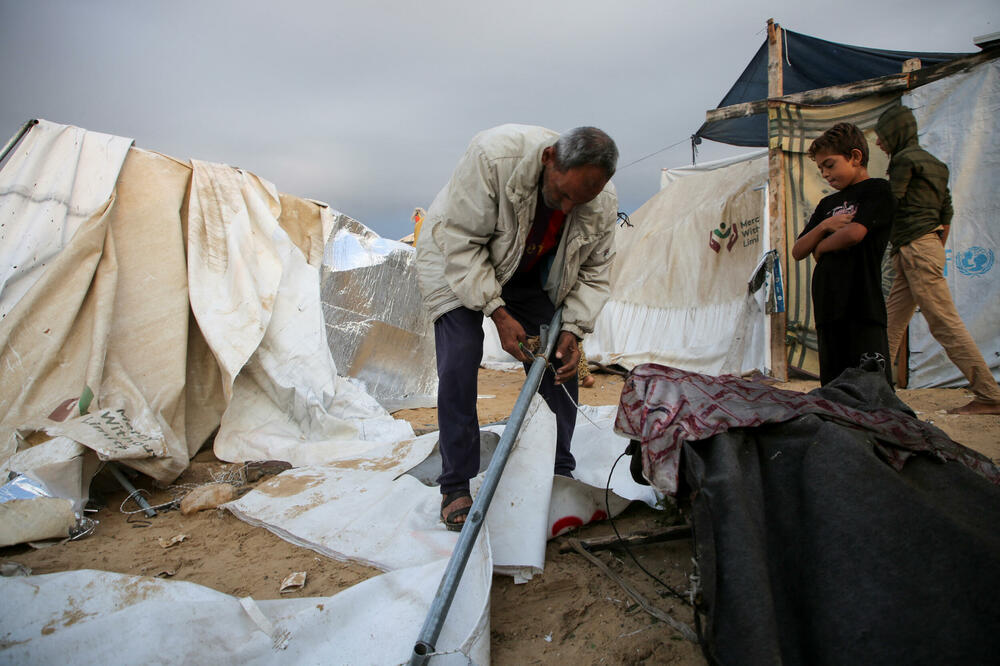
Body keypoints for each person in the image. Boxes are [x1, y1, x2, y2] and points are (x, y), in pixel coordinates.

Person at [415, 124, 619, 530]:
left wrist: (573, 329)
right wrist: (497, 311)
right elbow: (461, 243)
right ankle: (455, 483)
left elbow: (596, 274)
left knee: (557, 358)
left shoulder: (598, 202)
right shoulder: (493, 158)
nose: (565, 208)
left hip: (524, 270)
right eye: (561, 195)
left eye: (577, 203)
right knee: (460, 357)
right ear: (548, 160)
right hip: (456, 256)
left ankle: (558, 467)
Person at [875, 105, 1000, 415]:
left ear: (895, 133)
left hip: (915, 249)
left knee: (944, 322)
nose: (879, 143)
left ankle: (989, 393)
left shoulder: (904, 160)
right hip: (919, 248)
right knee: (890, 324)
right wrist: (933, 246)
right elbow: (947, 211)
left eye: (882, 136)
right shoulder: (936, 165)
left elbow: (892, 201)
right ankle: (874, 389)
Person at [791, 122, 894, 386]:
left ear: (855, 157)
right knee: (834, 383)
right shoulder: (827, 205)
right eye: (821, 169)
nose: (825, 174)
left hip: (861, 302)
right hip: (828, 304)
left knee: (870, 386)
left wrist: (822, 246)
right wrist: (825, 226)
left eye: (830, 164)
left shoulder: (877, 190)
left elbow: (855, 233)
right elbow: (798, 249)